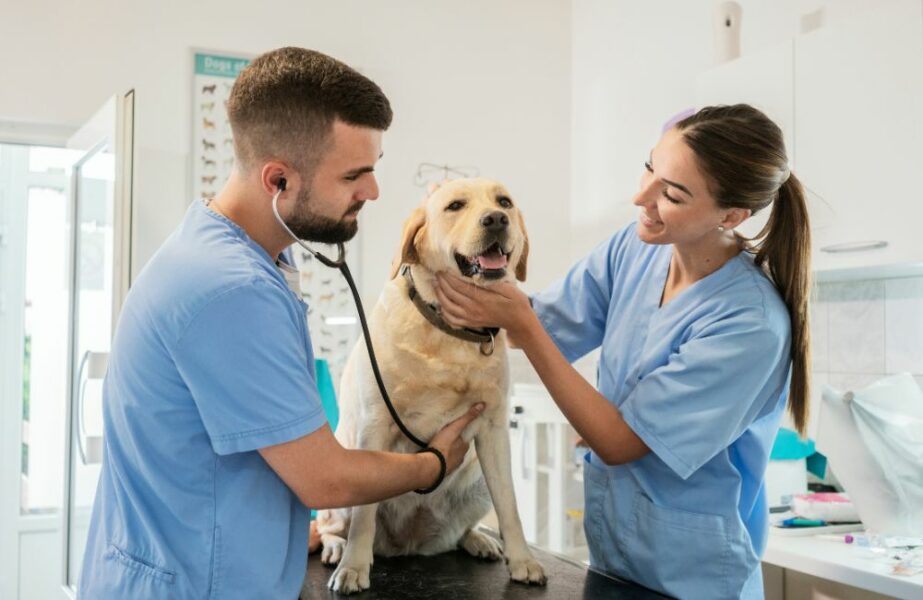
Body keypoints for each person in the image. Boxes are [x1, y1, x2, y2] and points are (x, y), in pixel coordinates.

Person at [78, 47, 484, 599]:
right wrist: (433, 465)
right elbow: (326, 477)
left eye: (374, 168)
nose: (373, 192)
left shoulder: (242, 254)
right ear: (278, 182)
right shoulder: (231, 289)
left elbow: (239, 446)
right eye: (354, 175)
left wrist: (283, 532)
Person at [434, 104, 811, 600]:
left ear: (732, 215)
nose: (641, 196)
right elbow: (537, 325)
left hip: (692, 579)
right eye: (651, 167)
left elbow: (618, 440)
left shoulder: (749, 323)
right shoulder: (635, 250)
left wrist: (518, 318)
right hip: (614, 560)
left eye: (671, 194)